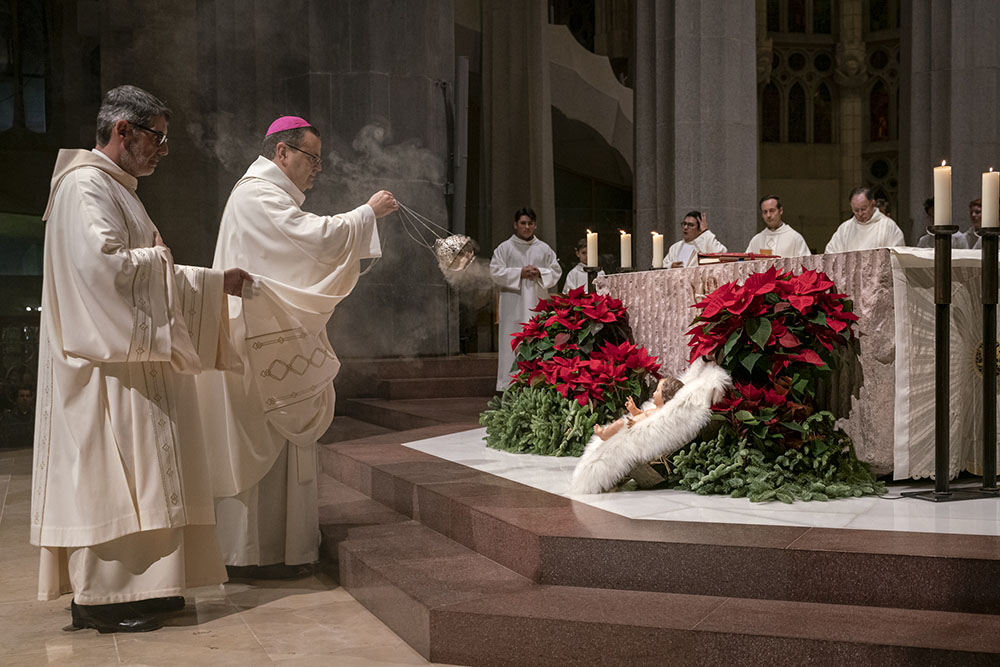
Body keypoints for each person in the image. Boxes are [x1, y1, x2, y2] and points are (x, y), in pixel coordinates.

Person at [29, 85, 249, 633]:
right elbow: (102, 271)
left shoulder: (116, 188)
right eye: (157, 138)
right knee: (118, 481)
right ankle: (107, 599)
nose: (163, 151)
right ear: (122, 130)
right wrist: (160, 259)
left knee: (146, 480)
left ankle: (145, 590)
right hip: (105, 373)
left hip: (131, 368)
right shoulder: (84, 187)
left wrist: (213, 280)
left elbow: (142, 266)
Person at [195, 116, 398, 578]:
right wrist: (367, 212)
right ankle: (252, 553)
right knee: (261, 443)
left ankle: (284, 548)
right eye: (312, 158)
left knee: (282, 448)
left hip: (271, 337)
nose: (317, 169)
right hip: (255, 346)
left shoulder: (265, 196)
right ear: (281, 153)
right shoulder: (257, 194)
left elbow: (301, 249)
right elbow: (314, 239)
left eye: (320, 160)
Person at [490, 207, 561, 390]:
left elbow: (556, 271)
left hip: (536, 303)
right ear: (515, 225)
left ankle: (537, 384)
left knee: (536, 341)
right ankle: (509, 385)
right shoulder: (505, 248)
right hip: (512, 304)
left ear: (535, 225)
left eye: (530, 223)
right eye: (523, 223)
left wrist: (540, 272)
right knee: (511, 343)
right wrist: (519, 273)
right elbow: (495, 272)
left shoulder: (543, 248)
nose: (527, 227)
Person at [593, 377, 683, 440]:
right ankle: (607, 434)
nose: (653, 393)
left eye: (657, 391)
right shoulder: (654, 410)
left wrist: (636, 424)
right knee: (619, 423)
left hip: (634, 432)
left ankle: (604, 434)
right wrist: (633, 409)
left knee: (620, 423)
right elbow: (641, 415)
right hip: (632, 425)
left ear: (665, 397)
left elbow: (647, 427)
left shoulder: (659, 415)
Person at [825, 186, 905, 253]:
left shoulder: (889, 226)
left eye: (863, 209)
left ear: (872, 204)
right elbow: (830, 255)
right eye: (856, 210)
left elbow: (897, 259)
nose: (860, 214)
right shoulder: (845, 229)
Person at [745, 195, 811, 258]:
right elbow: (745, 264)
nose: (768, 215)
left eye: (772, 211)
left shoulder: (795, 238)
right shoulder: (756, 240)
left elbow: (807, 265)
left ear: (781, 211)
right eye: (765, 212)